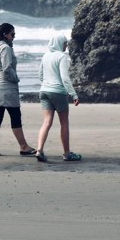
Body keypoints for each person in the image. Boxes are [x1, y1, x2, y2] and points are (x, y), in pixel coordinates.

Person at [0, 22, 37, 157]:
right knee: (15, 116)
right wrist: (16, 79)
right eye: (12, 34)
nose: (14, 37)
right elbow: (7, 68)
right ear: (5, 34)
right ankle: (23, 146)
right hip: (6, 87)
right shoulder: (5, 48)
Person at [36, 34, 82, 162]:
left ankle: (39, 150)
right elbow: (65, 78)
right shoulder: (62, 57)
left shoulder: (45, 56)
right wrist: (73, 94)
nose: (66, 45)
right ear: (59, 43)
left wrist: (46, 84)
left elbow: (40, 74)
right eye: (65, 43)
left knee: (46, 122)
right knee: (64, 123)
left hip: (44, 91)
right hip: (58, 92)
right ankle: (67, 153)